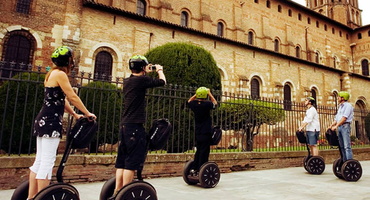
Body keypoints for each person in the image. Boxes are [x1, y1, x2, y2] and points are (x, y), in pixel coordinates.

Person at [28, 46, 96, 200]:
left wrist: (74, 114)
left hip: (43, 119)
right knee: (47, 161)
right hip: (51, 122)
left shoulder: (51, 73)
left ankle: (31, 197)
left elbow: (60, 98)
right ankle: (41, 197)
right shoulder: (60, 74)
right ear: (68, 61)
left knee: (39, 160)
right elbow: (72, 96)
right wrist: (87, 113)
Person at [111, 55, 166, 197]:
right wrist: (159, 70)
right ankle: (126, 193)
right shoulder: (142, 80)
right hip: (135, 126)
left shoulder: (128, 80)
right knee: (132, 162)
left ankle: (117, 191)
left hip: (125, 125)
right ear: (142, 67)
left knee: (122, 161)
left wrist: (145, 70)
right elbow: (162, 82)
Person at [187, 87, 217, 175]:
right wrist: (209, 94)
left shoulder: (194, 104)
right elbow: (215, 103)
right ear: (205, 95)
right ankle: (200, 169)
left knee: (199, 150)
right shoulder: (207, 104)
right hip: (206, 132)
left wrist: (196, 95)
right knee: (204, 151)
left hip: (198, 132)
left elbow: (188, 101)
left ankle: (194, 168)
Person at [328, 91, 354, 161]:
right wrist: (331, 125)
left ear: (343, 98)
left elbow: (344, 118)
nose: (338, 98)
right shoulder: (340, 107)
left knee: (346, 146)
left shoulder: (348, 106)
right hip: (340, 127)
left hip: (345, 127)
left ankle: (349, 162)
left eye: (339, 97)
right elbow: (337, 118)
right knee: (341, 146)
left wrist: (336, 126)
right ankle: (344, 162)